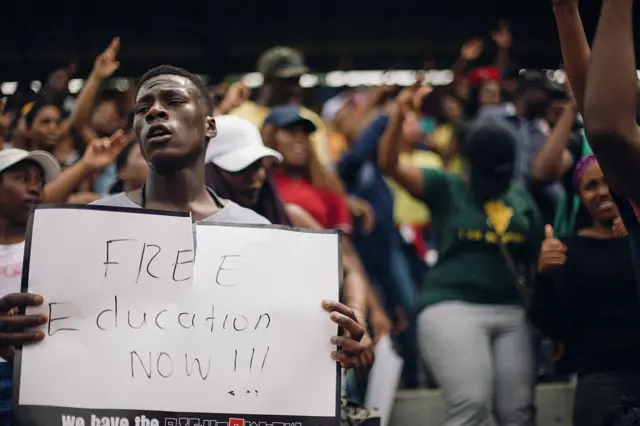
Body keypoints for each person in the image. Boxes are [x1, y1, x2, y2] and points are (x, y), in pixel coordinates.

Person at [0, 65, 366, 376]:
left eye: (173, 102)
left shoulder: (261, 235)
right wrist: (14, 344)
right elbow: (57, 349)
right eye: (142, 109)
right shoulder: (87, 230)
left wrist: (335, 347)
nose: (155, 112)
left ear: (209, 126)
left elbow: (287, 351)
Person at [379, 85, 542, 426]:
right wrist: (398, 115)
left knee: (518, 412)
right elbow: (389, 164)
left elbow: (536, 258)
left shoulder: (521, 198)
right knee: (471, 406)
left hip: (512, 311)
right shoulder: (447, 186)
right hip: (452, 305)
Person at [531, 155, 640, 426]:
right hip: (601, 383)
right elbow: (552, 325)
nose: (602, 192)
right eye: (591, 186)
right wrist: (545, 275)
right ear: (580, 196)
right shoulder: (566, 250)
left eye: (608, 182)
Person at [0, 148, 61, 425]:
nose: (35, 189)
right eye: (23, 178)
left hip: (42, 378)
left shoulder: (54, 245)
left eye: (39, 182)